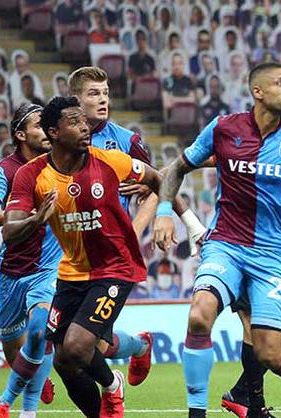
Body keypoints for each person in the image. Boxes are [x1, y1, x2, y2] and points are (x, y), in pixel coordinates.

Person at [153, 62, 281, 418]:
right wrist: (162, 211)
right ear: (258, 92)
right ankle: (196, 414)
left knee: (270, 350)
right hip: (226, 245)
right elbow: (178, 168)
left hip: (272, 255)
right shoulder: (224, 128)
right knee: (199, 315)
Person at [3, 96, 172, 418]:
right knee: (64, 361)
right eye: (74, 122)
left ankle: (112, 384)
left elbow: (160, 179)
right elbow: (9, 232)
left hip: (115, 267)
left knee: (78, 347)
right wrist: (37, 219)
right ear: (53, 132)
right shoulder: (31, 175)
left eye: (84, 121)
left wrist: (165, 213)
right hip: (72, 272)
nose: (85, 128)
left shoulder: (110, 161)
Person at [68, 66, 206, 386]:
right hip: (69, 251)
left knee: (83, 343)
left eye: (105, 93)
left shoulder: (126, 141)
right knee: (88, 343)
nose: (103, 100)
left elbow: (160, 184)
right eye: (94, 94)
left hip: (112, 254)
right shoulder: (61, 140)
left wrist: (135, 231)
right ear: (75, 99)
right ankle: (139, 346)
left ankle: (108, 387)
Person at [220, 86, 281, 418]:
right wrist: (158, 180)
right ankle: (253, 405)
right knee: (256, 329)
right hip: (242, 247)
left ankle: (241, 394)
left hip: (276, 255)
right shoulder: (254, 147)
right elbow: (208, 157)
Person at [0, 104, 58, 418]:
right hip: (12, 271)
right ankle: (38, 375)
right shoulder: (4, 170)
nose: (48, 130)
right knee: (12, 350)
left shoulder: (61, 162)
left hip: (48, 267)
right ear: (20, 134)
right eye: (39, 125)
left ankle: (23, 410)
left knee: (39, 332)